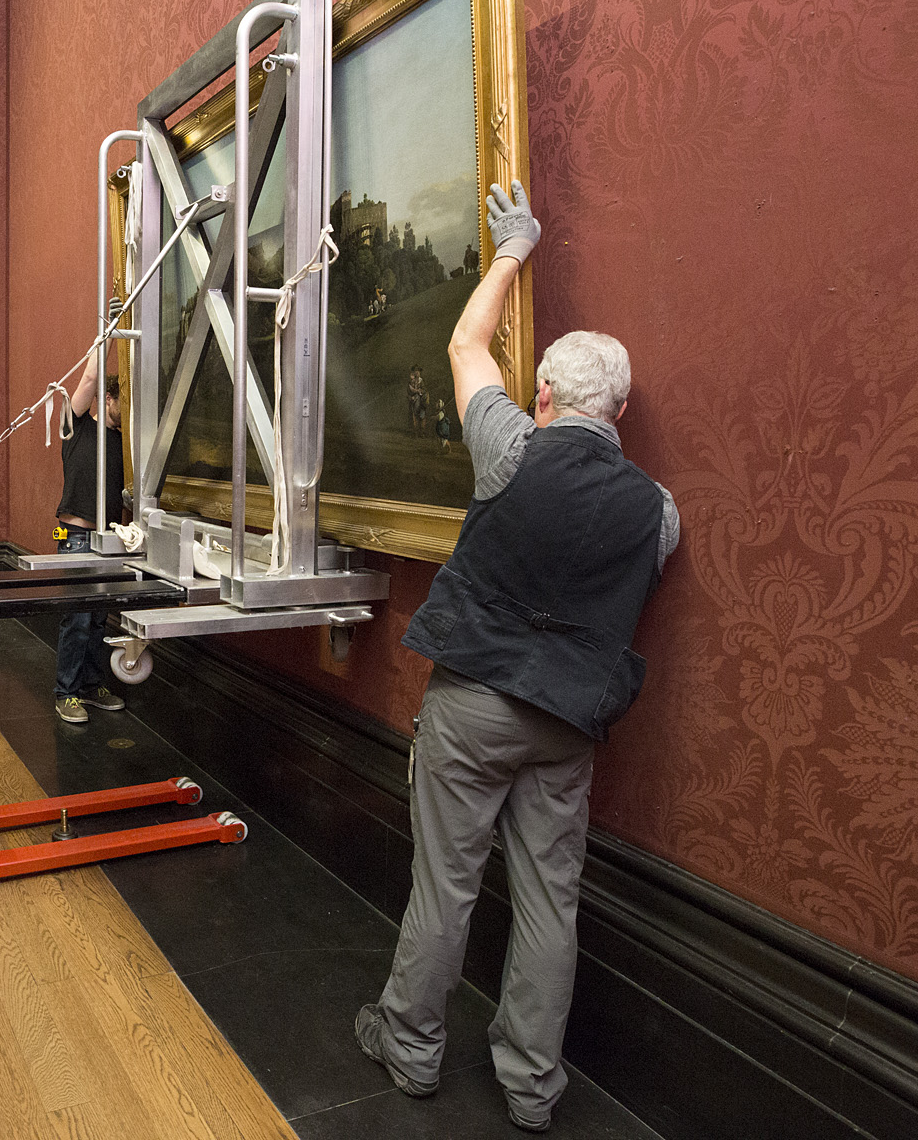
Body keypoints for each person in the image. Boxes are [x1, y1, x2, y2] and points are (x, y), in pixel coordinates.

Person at [354, 182, 680, 1133]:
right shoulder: (658, 513)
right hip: (567, 726)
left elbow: (463, 349)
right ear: (618, 408)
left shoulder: (509, 447)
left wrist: (512, 248)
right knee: (550, 904)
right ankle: (533, 1087)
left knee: (445, 883)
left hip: (474, 706)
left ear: (543, 395)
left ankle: (411, 1046)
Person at [51, 346, 126, 725]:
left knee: (98, 619)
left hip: (110, 540)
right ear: (107, 400)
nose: (126, 412)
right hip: (76, 536)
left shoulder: (125, 442)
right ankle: (66, 693)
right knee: (78, 619)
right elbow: (90, 379)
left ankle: (92, 686)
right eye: (122, 402)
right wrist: (108, 330)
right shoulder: (77, 426)